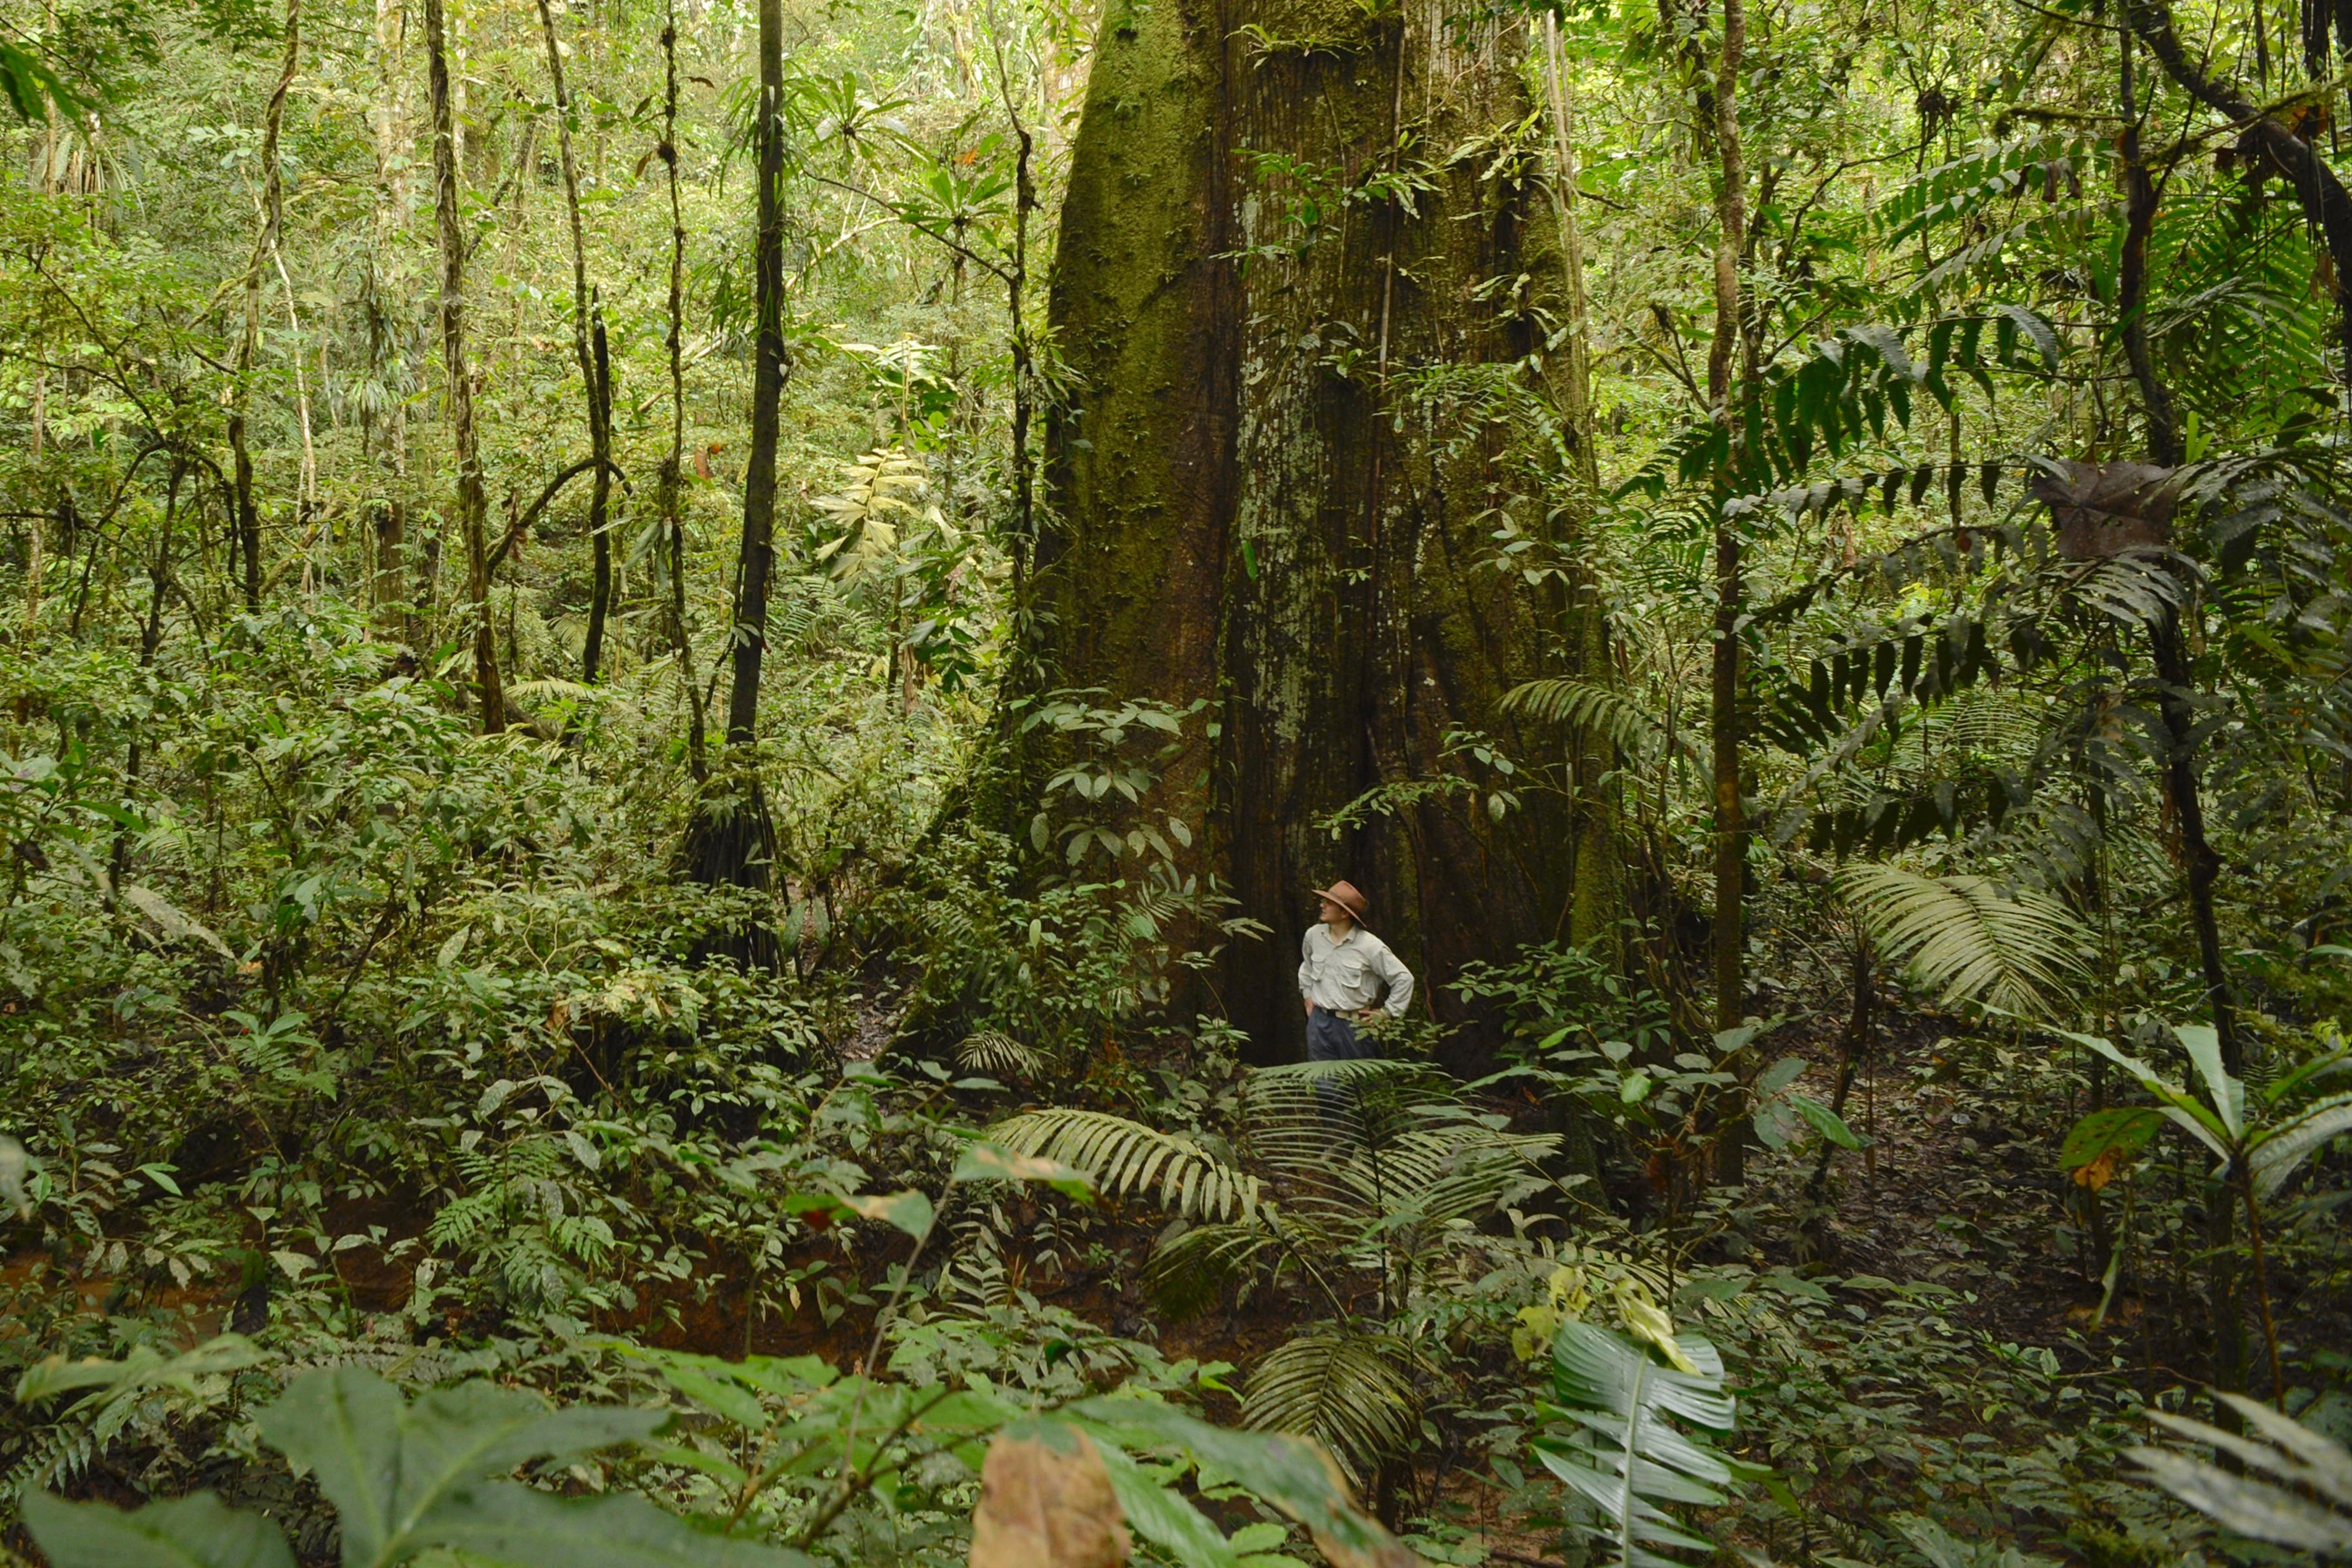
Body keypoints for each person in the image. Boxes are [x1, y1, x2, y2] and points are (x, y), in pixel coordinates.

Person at [1298, 880, 1415, 1076]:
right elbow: (1307, 965)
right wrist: (1307, 994)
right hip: (1319, 1022)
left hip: (1354, 1025)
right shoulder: (1313, 935)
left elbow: (1404, 978)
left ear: (1344, 913)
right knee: (1323, 1084)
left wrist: (1387, 1012)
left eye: (1329, 903)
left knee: (1360, 1083)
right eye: (1323, 901)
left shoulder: (1370, 946)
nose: (1322, 905)